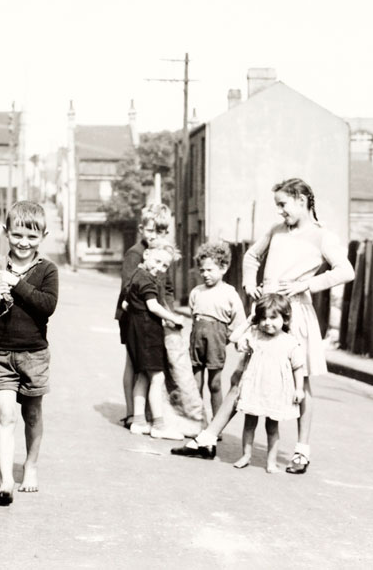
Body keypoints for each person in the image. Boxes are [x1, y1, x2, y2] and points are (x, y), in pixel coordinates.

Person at [172, 177, 354, 475]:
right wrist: (248, 282)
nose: (280, 211)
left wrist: (304, 285)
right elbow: (251, 256)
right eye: (277, 205)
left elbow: (346, 271)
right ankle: (206, 440)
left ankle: (301, 452)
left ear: (301, 198)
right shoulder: (276, 230)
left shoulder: (322, 236)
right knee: (241, 375)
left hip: (294, 314)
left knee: (301, 380)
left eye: (283, 204)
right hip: (265, 311)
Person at [0, 201, 59, 505]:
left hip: (34, 354)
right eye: (17, 235)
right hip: (0, 354)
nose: (24, 242)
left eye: (32, 237)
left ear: (42, 236)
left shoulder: (47, 270)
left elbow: (47, 306)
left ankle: (29, 466)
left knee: (31, 414)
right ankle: (6, 480)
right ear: (6, 232)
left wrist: (18, 284)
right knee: (5, 416)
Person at [231, 294, 304, 473]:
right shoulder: (255, 335)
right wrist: (249, 322)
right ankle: (246, 455)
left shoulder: (289, 342)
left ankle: (271, 462)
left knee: (272, 427)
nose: (267, 322)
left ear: (285, 319)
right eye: (263, 318)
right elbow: (234, 338)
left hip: (276, 392)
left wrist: (299, 389)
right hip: (254, 387)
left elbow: (298, 367)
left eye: (273, 317)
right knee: (249, 423)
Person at [115, 204, 172, 429]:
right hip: (133, 315)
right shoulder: (136, 253)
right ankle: (132, 413)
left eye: (160, 232)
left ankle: (145, 412)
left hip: (152, 314)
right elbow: (128, 287)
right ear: (141, 229)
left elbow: (167, 287)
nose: (154, 236)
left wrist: (170, 311)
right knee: (134, 363)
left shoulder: (163, 254)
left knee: (147, 364)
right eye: (150, 231)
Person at [125, 238, 187, 439]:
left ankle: (139, 420)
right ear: (146, 255)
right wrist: (174, 318)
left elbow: (126, 304)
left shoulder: (137, 275)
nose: (160, 268)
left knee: (143, 376)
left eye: (165, 265)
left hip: (136, 330)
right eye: (158, 261)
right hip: (147, 332)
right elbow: (153, 306)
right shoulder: (147, 280)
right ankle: (159, 426)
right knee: (157, 377)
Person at [188, 241, 246, 424]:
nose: (205, 274)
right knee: (195, 383)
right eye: (202, 270)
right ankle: (196, 419)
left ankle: (216, 423)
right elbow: (193, 316)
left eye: (210, 270)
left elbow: (239, 323)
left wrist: (227, 339)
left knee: (214, 384)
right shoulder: (196, 292)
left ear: (223, 268)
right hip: (197, 341)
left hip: (216, 343)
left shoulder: (230, 294)